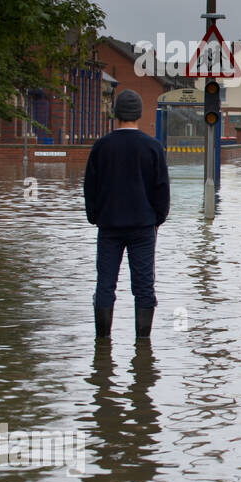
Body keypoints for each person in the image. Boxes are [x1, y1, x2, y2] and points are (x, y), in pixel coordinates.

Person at [83, 89, 171, 341]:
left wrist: (95, 216)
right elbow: (162, 189)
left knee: (105, 284)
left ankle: (102, 343)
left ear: (115, 114)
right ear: (139, 114)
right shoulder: (153, 147)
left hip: (109, 226)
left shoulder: (101, 147)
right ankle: (143, 347)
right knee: (144, 286)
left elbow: (90, 187)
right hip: (143, 228)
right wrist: (157, 219)